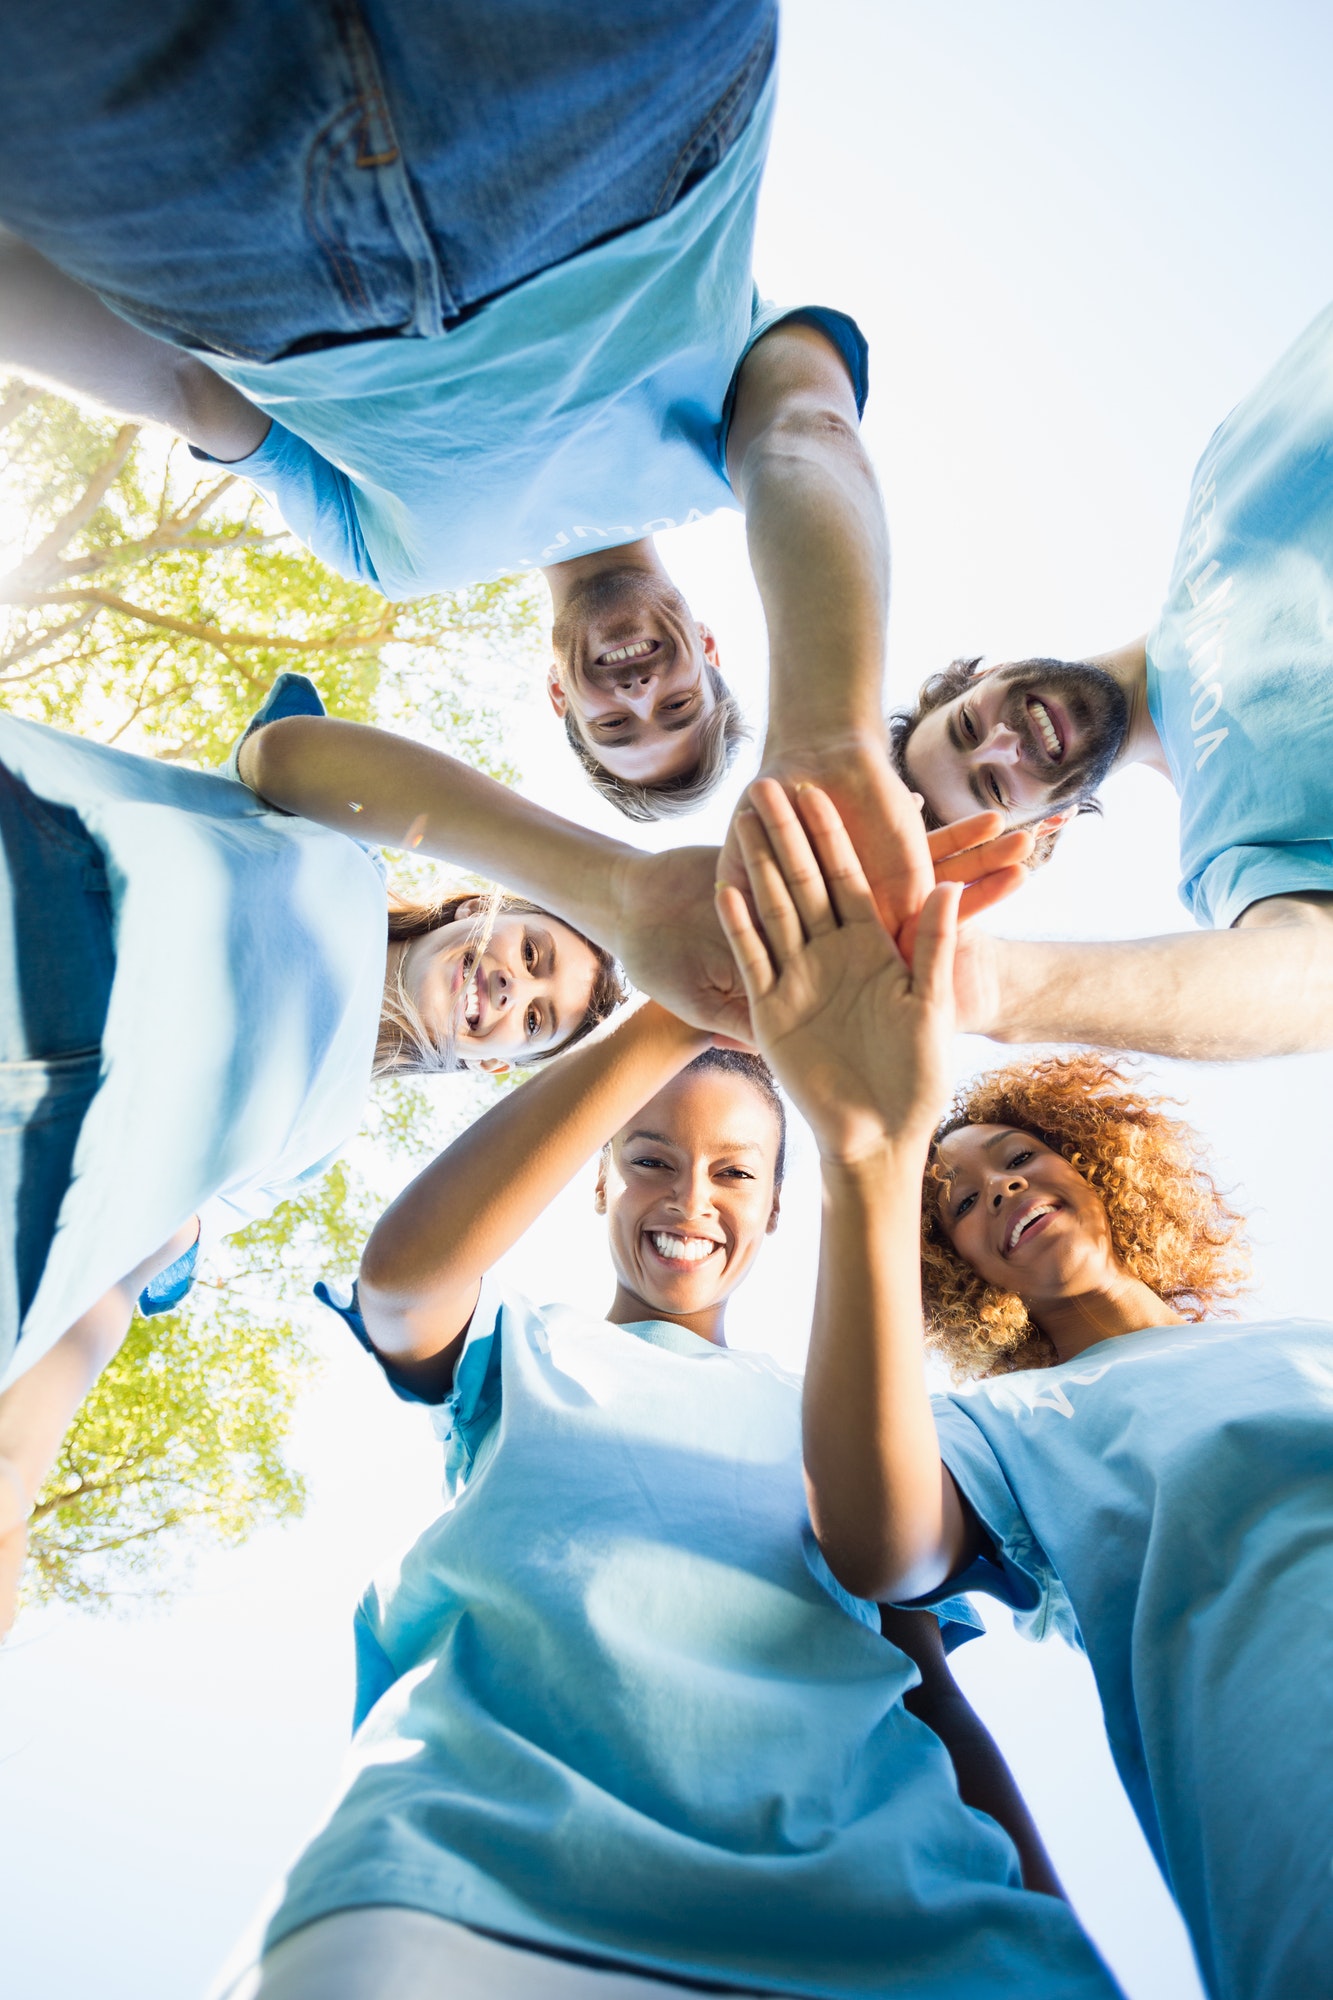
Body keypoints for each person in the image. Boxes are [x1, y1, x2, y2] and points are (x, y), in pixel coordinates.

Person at [209, 997, 1118, 2000]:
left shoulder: (853, 1425)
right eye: (649, 1157)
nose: (691, 1195)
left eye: (734, 1170)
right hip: (475, 1877)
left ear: (775, 1207)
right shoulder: (519, 1346)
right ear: (594, 1176)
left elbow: (933, 1693)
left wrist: (1053, 1925)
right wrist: (676, 1006)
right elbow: (400, 1282)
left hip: (880, 1922)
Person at [0, 0, 919, 860]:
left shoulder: (394, 563)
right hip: (614, 135)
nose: (640, 695)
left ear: (559, 694)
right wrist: (829, 739)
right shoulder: (732, 462)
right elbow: (808, 431)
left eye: (613, 726)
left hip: (241, 240)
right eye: (679, 704)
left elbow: (188, 389)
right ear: (709, 648)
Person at [717, 784, 1333, 2000]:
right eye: (955, 1198)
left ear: (1092, 1166)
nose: (997, 1187)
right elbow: (879, 1541)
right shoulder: (1010, 1425)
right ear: (951, 1261)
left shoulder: (1306, 1335)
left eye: (1016, 1157)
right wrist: (866, 1160)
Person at [0, 671, 623, 1637]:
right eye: (533, 951)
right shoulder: (344, 837)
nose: (511, 987)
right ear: (482, 908)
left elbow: (126, 1263)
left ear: (493, 1065)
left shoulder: (311, 1145)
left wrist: (15, 1471)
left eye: (533, 1022)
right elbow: (282, 753)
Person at [887, 301, 1333, 1061]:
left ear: (982, 675)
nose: (1003, 744)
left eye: (965, 726)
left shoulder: (1220, 473)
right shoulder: (1228, 852)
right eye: (993, 789)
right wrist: (994, 987)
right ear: (1041, 836)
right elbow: (1311, 978)